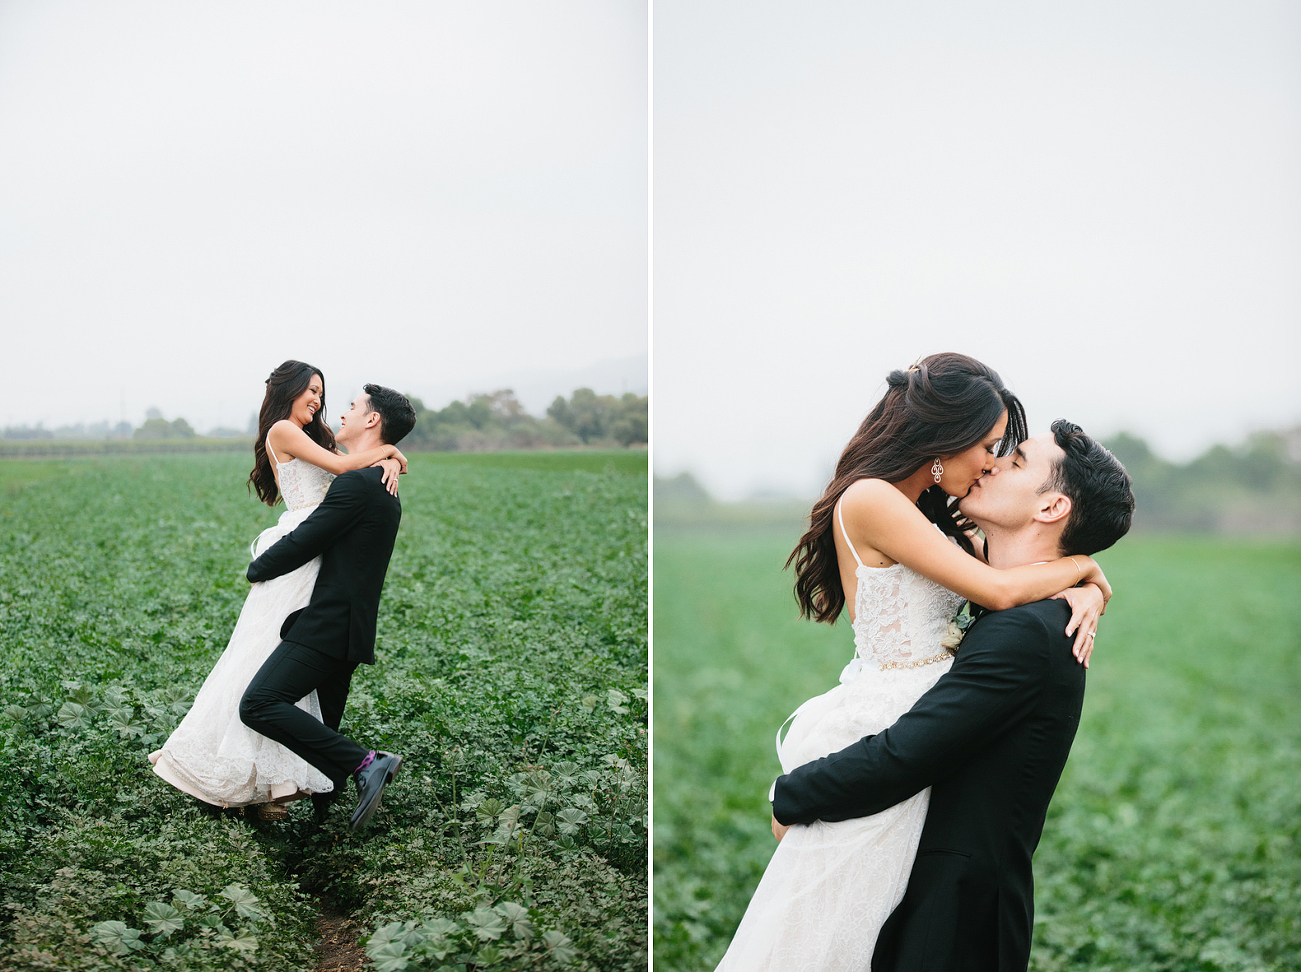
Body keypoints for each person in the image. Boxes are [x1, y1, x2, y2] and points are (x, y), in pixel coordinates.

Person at [713, 353, 1111, 971]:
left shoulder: (934, 515)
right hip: (890, 713)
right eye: (986, 445)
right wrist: (1086, 570)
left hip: (921, 717)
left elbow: (1005, 577)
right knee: (829, 929)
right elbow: (1000, 590)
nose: (989, 461)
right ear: (942, 439)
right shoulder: (873, 499)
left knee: (860, 925)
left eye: (1005, 452)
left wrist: (1083, 579)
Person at [149, 361, 406, 818]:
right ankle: (267, 784)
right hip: (303, 554)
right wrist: (390, 452)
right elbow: (345, 467)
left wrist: (387, 454)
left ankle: (291, 788)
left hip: (318, 566)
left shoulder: (333, 453)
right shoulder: (285, 430)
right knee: (261, 670)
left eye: (324, 394)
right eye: (311, 389)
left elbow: (347, 469)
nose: (320, 401)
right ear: (288, 389)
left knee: (279, 684)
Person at [238, 382, 416, 830]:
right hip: (351, 626)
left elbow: (307, 538)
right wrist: (391, 453)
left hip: (328, 622)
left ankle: (368, 764)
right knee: (322, 731)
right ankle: (323, 838)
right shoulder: (378, 479)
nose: (341, 412)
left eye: (353, 407)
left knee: (259, 703)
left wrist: (259, 568)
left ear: (372, 420)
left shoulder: (357, 482)